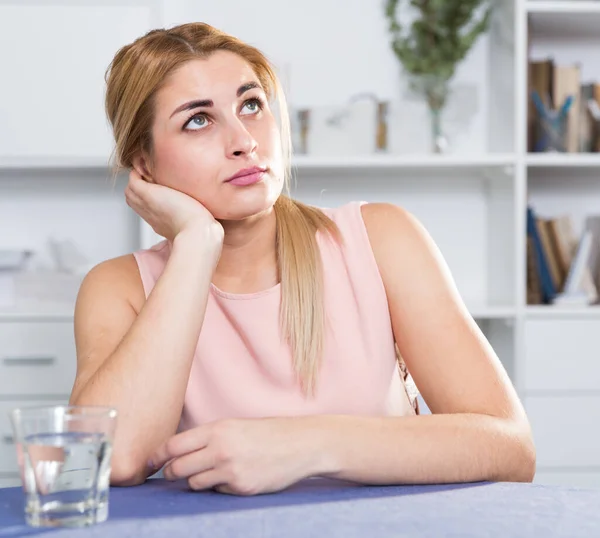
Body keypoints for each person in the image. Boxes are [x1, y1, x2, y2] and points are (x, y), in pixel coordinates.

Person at [69, 22, 535, 496]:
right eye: (198, 120)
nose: (244, 141)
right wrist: (195, 244)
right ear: (143, 165)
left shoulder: (380, 239)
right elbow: (112, 459)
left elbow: (511, 448)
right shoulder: (119, 287)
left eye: (251, 105)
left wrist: (307, 444)